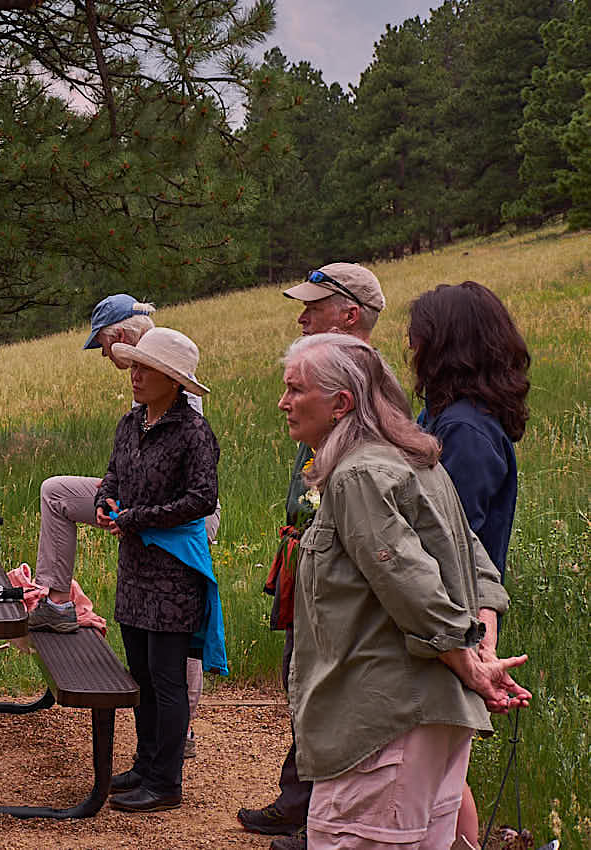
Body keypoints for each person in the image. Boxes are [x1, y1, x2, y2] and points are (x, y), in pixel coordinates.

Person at [277, 332, 529, 850]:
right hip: (427, 721)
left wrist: (472, 665)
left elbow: (412, 586)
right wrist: (481, 652)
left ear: (341, 402)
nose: (284, 403)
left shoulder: (358, 475)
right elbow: (478, 567)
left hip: (385, 722)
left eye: (296, 390)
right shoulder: (415, 462)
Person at [27, 294, 216, 756]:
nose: (114, 362)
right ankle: (55, 600)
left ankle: (181, 733)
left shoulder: (178, 390)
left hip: (178, 525)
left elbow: (191, 490)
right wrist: (107, 497)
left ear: (125, 338)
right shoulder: (135, 407)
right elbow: (123, 459)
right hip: (136, 510)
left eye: (109, 348)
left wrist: (131, 514)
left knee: (172, 646)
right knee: (55, 491)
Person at [238, 262, 386, 850]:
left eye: (314, 308)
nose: (301, 318)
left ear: (349, 315)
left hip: (344, 571)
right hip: (309, 553)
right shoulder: (328, 383)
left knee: (328, 684)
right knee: (301, 678)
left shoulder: (369, 390)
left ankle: (318, 817)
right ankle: (299, 802)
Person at [408, 281, 531, 847]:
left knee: (441, 765)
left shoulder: (463, 429)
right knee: (443, 764)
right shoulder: (453, 418)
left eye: (422, 334)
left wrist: (469, 635)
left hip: (448, 612)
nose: (411, 345)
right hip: (448, 613)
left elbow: (447, 537)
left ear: (447, 343)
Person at [95, 327, 220, 813]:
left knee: (167, 679)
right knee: (142, 674)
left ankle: (167, 780)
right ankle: (146, 764)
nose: (135, 375)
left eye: (147, 369)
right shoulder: (130, 425)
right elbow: (112, 473)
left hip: (173, 573)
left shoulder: (193, 432)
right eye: (136, 366)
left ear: (173, 380)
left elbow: (200, 499)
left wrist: (133, 518)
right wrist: (105, 501)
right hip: (135, 569)